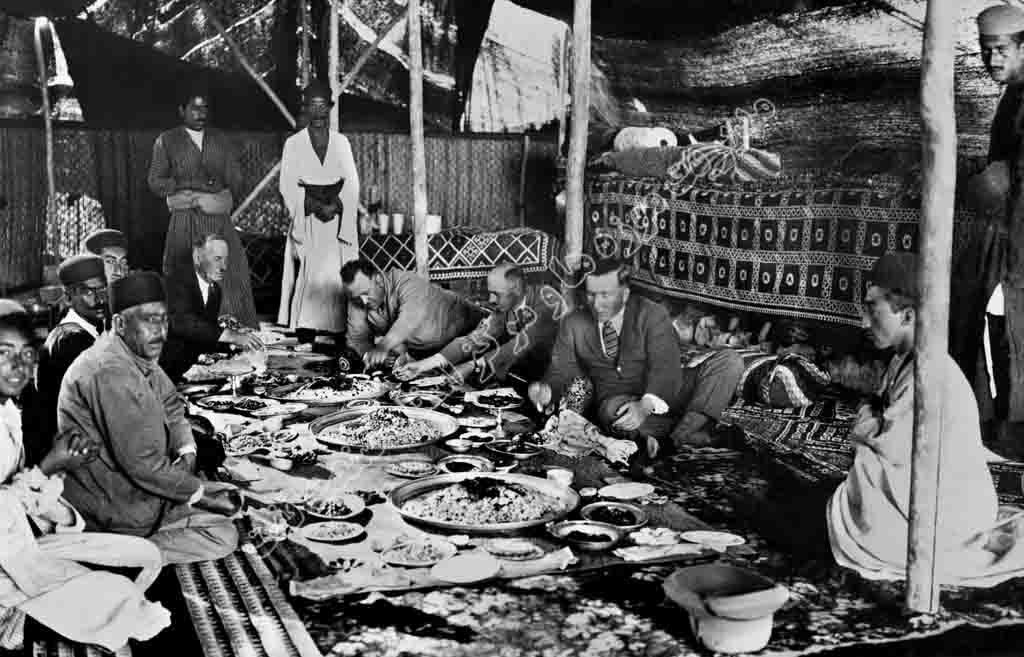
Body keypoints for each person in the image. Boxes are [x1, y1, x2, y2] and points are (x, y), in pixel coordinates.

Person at [826, 252, 1024, 586]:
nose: (863, 322)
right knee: (855, 480)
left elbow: (881, 444)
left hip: (953, 513)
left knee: (849, 493)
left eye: (872, 309)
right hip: (928, 489)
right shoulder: (905, 361)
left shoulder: (929, 372)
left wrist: (866, 421)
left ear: (907, 314)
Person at [0, 300, 170, 652]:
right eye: (3, 353)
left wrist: (58, 472)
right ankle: (19, 620)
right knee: (122, 603)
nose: (18, 365)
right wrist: (50, 466)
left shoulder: (9, 410)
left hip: (24, 541)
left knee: (149, 555)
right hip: (7, 561)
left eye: (26, 353)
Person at [58, 272, 241, 565]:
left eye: (164, 319)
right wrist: (197, 493)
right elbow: (144, 467)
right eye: (149, 320)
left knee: (229, 496)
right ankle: (119, 555)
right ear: (119, 323)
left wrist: (186, 450)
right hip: (115, 507)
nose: (161, 331)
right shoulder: (108, 369)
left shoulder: (135, 353)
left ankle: (138, 539)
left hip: (141, 491)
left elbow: (171, 402)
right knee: (225, 535)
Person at [528, 259, 743, 460]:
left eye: (605, 295)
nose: (596, 304)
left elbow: (666, 366)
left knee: (730, 361)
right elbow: (561, 369)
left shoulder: (651, 314)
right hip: (617, 400)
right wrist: (547, 390)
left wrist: (645, 405)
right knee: (612, 414)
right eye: (591, 295)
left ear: (625, 293)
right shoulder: (573, 324)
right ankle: (697, 431)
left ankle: (673, 440)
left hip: (670, 391)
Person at [960, 4, 1024, 431]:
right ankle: (1000, 419)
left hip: (1018, 231)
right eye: (985, 52)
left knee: (1004, 317)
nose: (991, 60)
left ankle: (1009, 425)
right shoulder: (1013, 97)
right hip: (1008, 227)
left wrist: (991, 180)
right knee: (996, 317)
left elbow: (1007, 172)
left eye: (1000, 49)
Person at [147, 87, 258, 328]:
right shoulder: (167, 140)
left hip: (216, 218)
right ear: (181, 110)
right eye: (194, 108)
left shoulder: (220, 139)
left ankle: (233, 330)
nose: (200, 113)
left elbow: (236, 179)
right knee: (186, 271)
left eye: (204, 107)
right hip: (185, 220)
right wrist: (182, 188)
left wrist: (219, 195)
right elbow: (155, 181)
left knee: (230, 270)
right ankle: (194, 332)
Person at [278, 80, 361, 336]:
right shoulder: (293, 144)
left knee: (337, 277)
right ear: (305, 110)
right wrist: (314, 206)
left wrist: (335, 206)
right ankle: (306, 328)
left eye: (322, 106)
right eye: (312, 107)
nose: (318, 113)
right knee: (312, 275)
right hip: (309, 219)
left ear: (330, 108)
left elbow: (352, 183)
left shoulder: (341, 143)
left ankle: (338, 330)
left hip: (337, 219)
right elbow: (287, 186)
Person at [395, 264, 558, 387]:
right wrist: (422, 365)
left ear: (515, 288)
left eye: (496, 294)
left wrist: (473, 365)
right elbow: (474, 340)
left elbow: (519, 344)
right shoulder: (506, 306)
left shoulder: (547, 302)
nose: (491, 300)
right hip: (528, 376)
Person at [25, 254, 108, 465]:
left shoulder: (85, 330)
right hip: (63, 455)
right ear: (69, 297)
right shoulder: (72, 341)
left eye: (102, 290)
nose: (99, 299)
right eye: (88, 291)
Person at [340, 259, 486, 369]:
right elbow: (357, 340)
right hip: (428, 351)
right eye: (356, 297)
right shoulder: (357, 300)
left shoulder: (407, 282)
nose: (364, 302)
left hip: (470, 332)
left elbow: (409, 318)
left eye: (366, 293)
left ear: (378, 279)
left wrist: (383, 347)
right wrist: (372, 356)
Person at [161, 233, 264, 381]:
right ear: (197, 257)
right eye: (217, 259)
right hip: (162, 372)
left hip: (186, 372)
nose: (224, 267)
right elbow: (183, 323)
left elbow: (205, 335)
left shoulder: (215, 291)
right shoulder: (176, 282)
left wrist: (235, 346)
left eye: (226, 260)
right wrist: (231, 336)